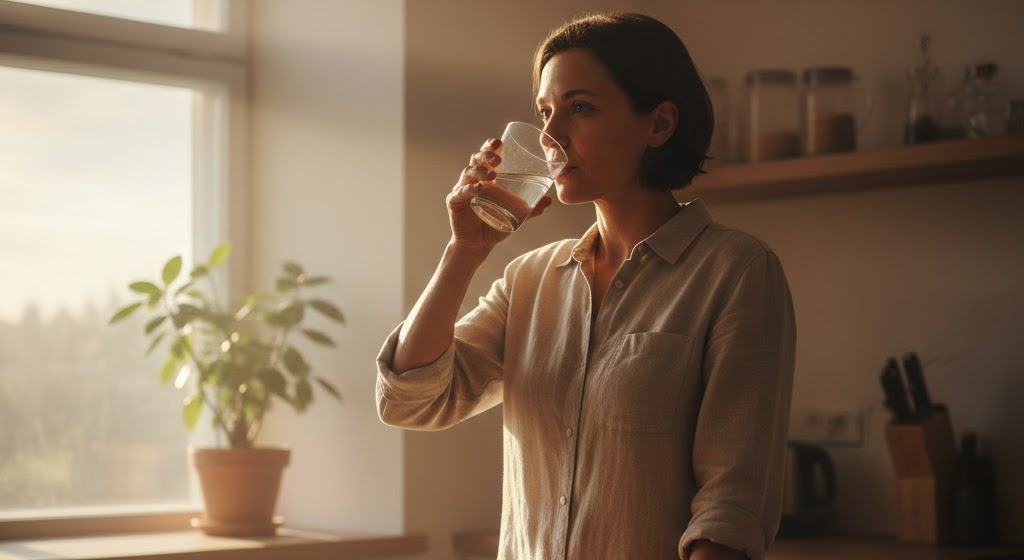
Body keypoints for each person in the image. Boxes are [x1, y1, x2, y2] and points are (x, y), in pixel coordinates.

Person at [376, 12, 795, 560]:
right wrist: (464, 253)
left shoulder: (737, 271)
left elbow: (731, 505)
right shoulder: (529, 280)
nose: (551, 137)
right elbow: (410, 401)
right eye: (545, 112)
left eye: (581, 108)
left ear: (659, 124)